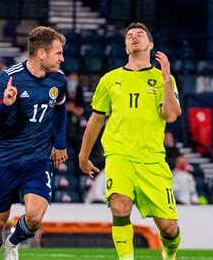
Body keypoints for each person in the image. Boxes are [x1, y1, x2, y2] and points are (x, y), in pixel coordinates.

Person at [78, 22, 182, 260]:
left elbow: (171, 115)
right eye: (129, 36)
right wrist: (83, 156)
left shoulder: (163, 78)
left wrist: (166, 80)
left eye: (140, 35)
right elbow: (96, 120)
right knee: (119, 205)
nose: (134, 38)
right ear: (126, 46)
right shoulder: (110, 80)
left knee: (168, 227)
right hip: (119, 155)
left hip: (152, 160)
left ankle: (170, 250)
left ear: (151, 44)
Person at [0, 26, 68, 260]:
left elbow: (60, 110)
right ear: (41, 53)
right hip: (4, 160)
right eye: (58, 53)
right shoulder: (10, 77)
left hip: (37, 161)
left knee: (34, 217)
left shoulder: (58, 80)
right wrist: (4, 104)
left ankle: (12, 243)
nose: (62, 58)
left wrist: (59, 143)